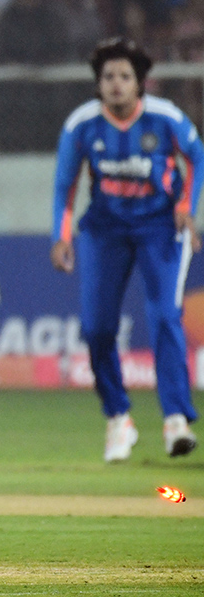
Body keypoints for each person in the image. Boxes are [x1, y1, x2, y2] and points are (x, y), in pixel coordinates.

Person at [50, 38, 203, 462]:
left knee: (164, 317)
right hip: (104, 230)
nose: (116, 84)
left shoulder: (165, 117)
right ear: (99, 84)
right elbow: (65, 186)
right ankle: (118, 418)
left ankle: (176, 421)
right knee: (98, 328)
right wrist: (60, 236)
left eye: (124, 76)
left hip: (160, 227)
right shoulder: (81, 124)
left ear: (139, 84)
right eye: (108, 77)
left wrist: (187, 207)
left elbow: (197, 156)